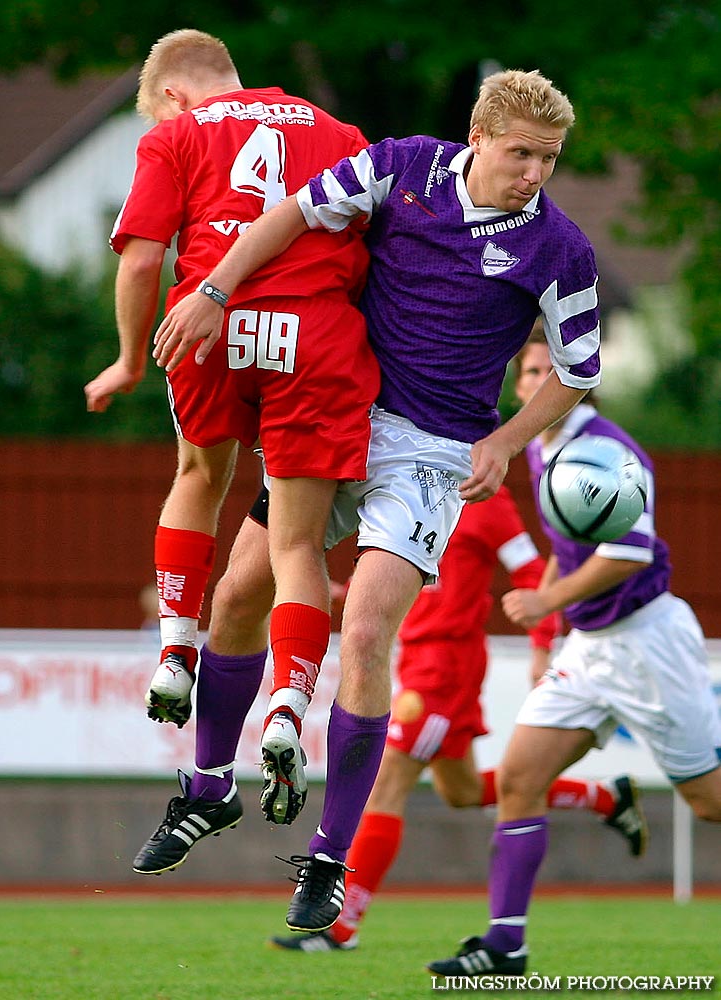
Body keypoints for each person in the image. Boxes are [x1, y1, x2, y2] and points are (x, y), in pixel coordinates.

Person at [141, 68, 602, 934]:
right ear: (477, 138)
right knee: (238, 594)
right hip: (336, 411)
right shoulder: (403, 168)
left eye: (548, 158)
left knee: (362, 633)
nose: (535, 172)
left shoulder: (558, 247)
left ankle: (326, 859)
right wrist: (212, 288)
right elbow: (290, 214)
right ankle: (207, 786)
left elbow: (579, 372)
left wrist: (503, 441)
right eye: (520, 153)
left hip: (430, 456)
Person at [83, 29, 381, 831]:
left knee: (197, 478)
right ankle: (288, 703)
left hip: (210, 323)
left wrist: (126, 361)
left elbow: (142, 259)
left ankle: (178, 649)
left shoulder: (176, 135)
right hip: (314, 337)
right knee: (295, 544)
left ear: (174, 95)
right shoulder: (337, 132)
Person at [427, 326, 721, 979]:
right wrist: (554, 636)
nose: (531, 386)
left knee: (708, 803)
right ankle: (505, 947)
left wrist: (544, 601)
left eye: (544, 374)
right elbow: (573, 547)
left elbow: (629, 553)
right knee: (519, 780)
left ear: (576, 382)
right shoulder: (539, 446)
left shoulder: (606, 451)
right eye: (526, 375)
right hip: (588, 648)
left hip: (647, 642)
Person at [269, 485, 648, 952]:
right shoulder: (414, 477)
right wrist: (351, 593)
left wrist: (541, 644)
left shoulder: (488, 498)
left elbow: (531, 570)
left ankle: (341, 927)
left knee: (386, 784)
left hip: (446, 670)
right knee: (463, 790)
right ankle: (604, 798)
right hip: (415, 660)